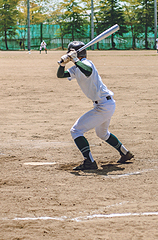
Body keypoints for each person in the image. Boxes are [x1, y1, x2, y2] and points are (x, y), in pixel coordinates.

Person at [57, 41, 134, 170]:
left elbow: (87, 71)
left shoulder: (86, 63)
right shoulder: (76, 68)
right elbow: (60, 75)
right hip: (105, 105)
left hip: (104, 105)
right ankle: (125, 153)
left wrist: (75, 60)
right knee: (102, 134)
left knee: (76, 131)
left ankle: (89, 162)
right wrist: (61, 64)